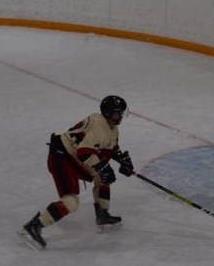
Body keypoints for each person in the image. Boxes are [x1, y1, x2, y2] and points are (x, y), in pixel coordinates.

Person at [18, 95, 134, 249]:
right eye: (117, 113)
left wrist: (121, 159)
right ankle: (32, 227)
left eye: (121, 113)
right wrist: (102, 167)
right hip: (62, 157)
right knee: (71, 202)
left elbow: (109, 148)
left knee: (103, 178)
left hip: (74, 157)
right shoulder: (98, 125)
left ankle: (102, 215)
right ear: (108, 113)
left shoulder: (112, 128)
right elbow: (84, 152)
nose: (120, 117)